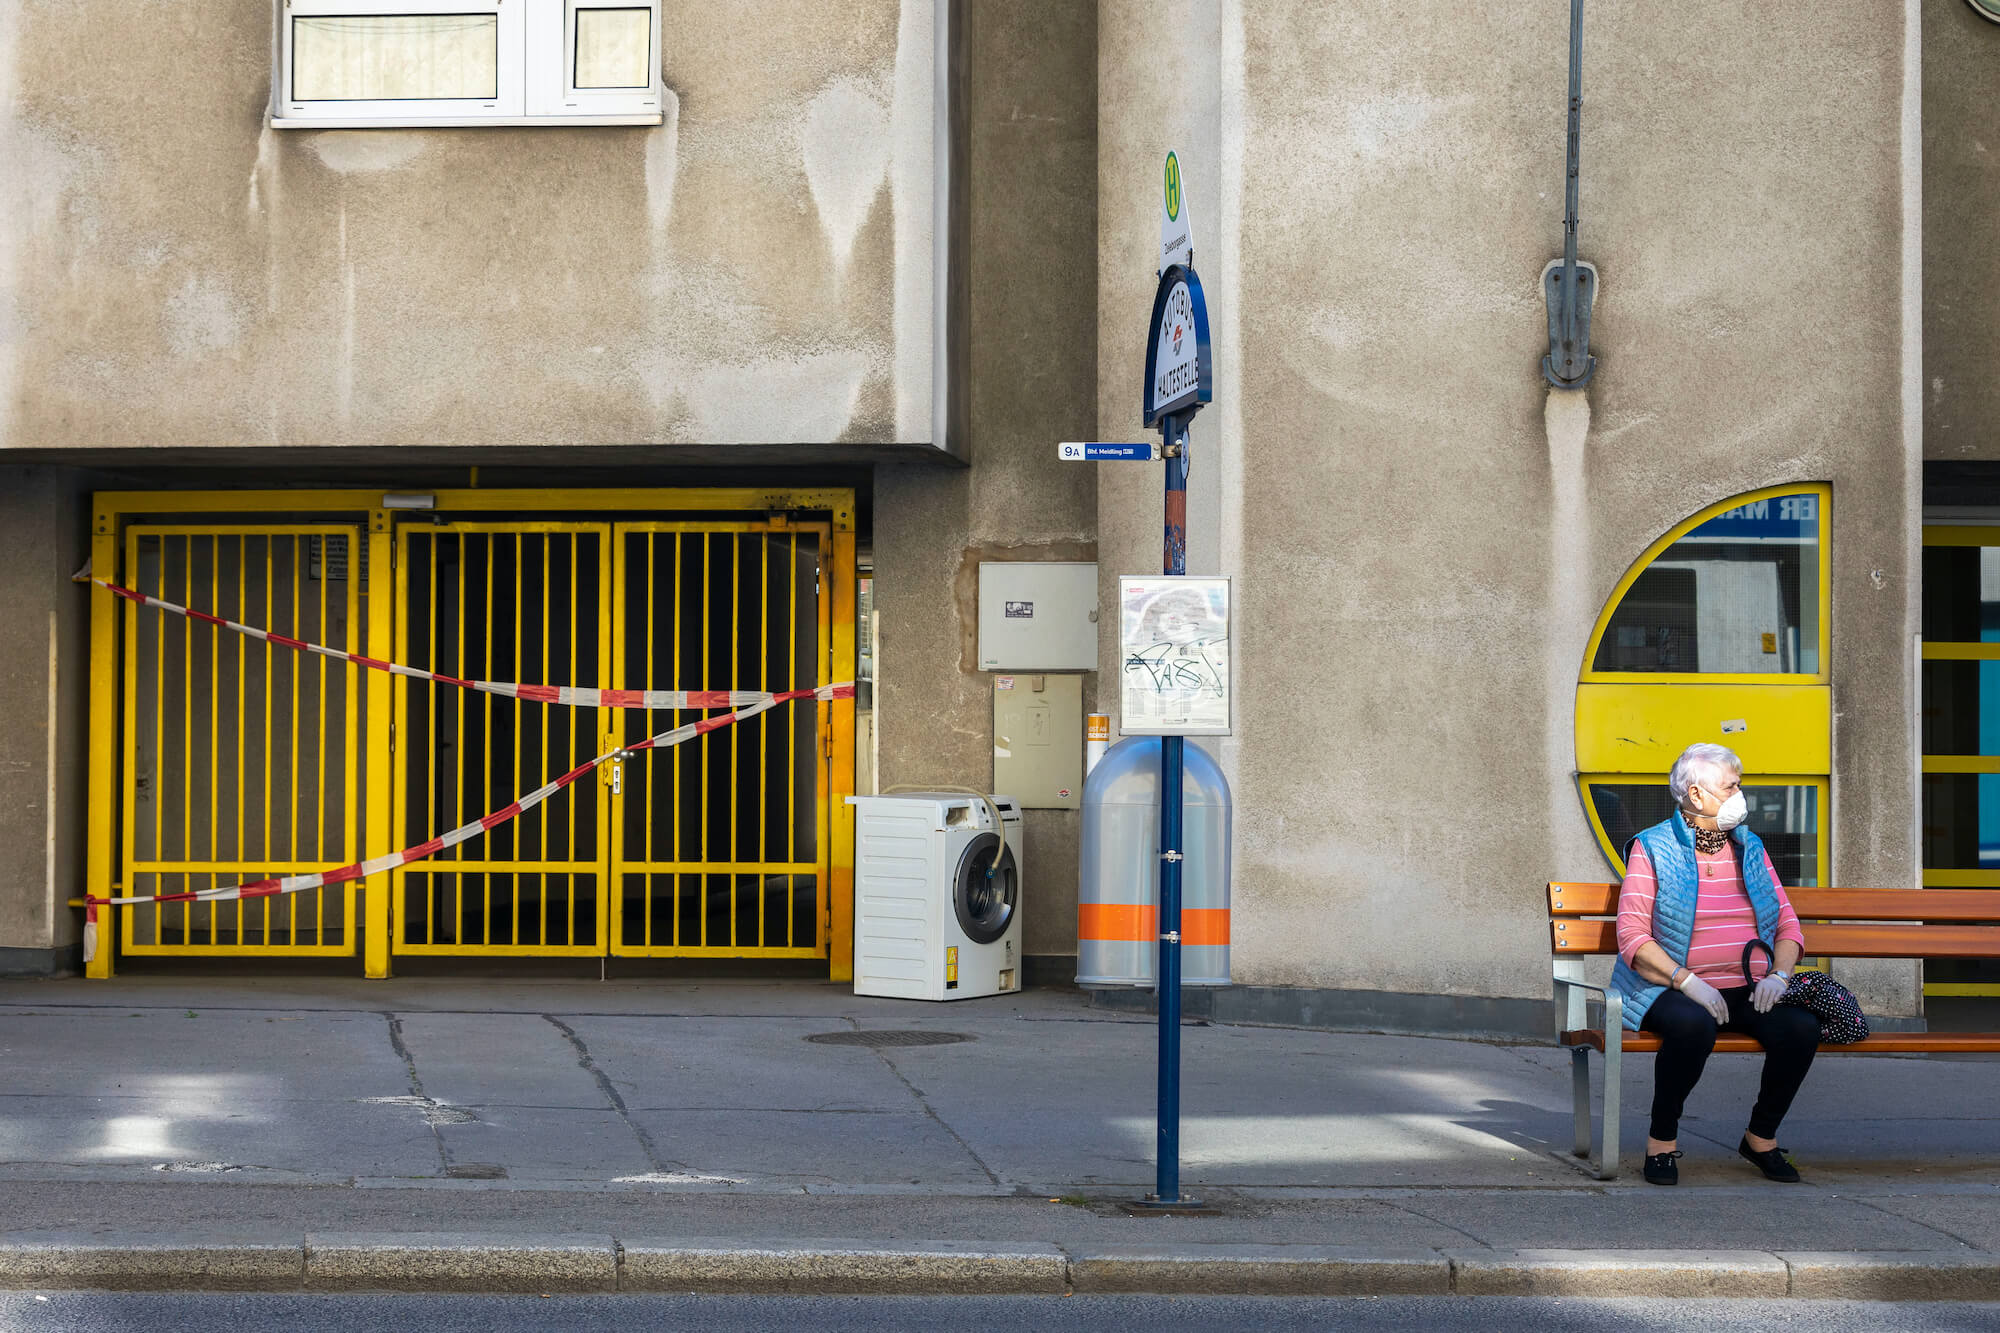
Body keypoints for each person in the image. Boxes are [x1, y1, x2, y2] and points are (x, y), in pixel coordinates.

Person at [1609, 742, 1820, 1185]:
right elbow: (1631, 936)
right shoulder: (1653, 847)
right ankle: (1661, 1142)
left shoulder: (1749, 846)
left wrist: (1780, 976)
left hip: (1746, 984)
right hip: (1669, 986)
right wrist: (1687, 982)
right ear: (1696, 795)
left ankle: (1760, 1137)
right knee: (1692, 1026)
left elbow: (1787, 923)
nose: (1740, 796)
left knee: (1799, 1029)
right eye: (1731, 787)